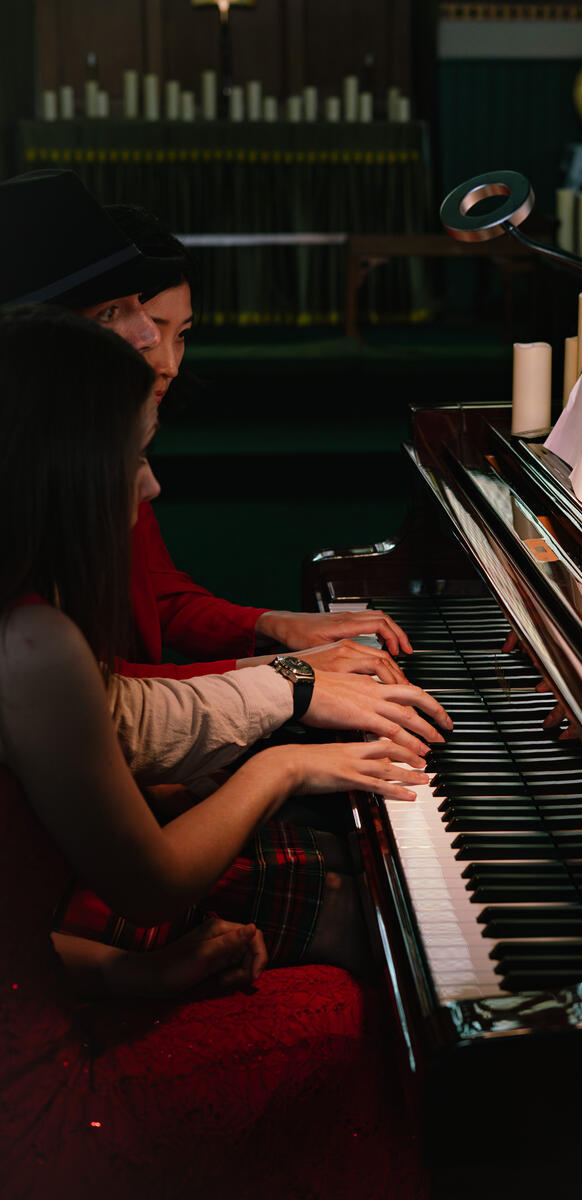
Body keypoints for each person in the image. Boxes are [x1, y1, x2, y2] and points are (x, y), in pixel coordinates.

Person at [0, 306, 429, 1199]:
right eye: (136, 454)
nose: (150, 487)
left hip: (54, 997)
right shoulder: (32, 644)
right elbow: (154, 883)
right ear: (66, 470)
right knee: (350, 1021)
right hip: (33, 1107)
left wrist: (136, 972)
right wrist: (287, 764)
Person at [0, 168, 419, 681]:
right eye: (116, 314)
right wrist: (289, 678)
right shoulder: (39, 467)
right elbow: (101, 700)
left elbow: (159, 597)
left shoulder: (104, 444)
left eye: (181, 334)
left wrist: (274, 625)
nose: (166, 360)